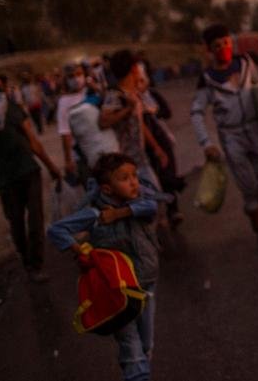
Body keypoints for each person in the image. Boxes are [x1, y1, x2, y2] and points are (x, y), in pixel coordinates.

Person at [47, 153, 160, 381]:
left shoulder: (140, 202)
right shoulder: (94, 214)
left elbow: (152, 205)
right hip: (117, 290)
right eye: (124, 178)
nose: (133, 182)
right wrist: (76, 249)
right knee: (132, 347)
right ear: (107, 189)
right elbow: (56, 230)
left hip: (146, 283)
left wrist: (120, 213)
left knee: (146, 343)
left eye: (134, 176)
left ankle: (137, 370)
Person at [190, 24, 258, 254]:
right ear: (209, 49)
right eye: (217, 45)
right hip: (231, 135)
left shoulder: (245, 62)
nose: (224, 48)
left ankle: (252, 205)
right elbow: (196, 112)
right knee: (248, 185)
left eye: (226, 43)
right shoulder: (207, 79)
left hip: (254, 129)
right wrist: (206, 143)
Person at [0, 74, 63, 282]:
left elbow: (32, 140)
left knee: (36, 219)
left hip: (29, 170)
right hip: (7, 177)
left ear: (6, 89)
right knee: (16, 223)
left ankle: (37, 265)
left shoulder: (15, 109)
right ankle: (26, 259)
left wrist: (50, 165)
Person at [99, 50, 169, 189]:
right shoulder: (115, 95)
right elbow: (103, 121)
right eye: (138, 66)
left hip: (140, 158)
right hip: (125, 161)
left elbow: (139, 123)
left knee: (153, 195)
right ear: (134, 68)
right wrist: (128, 109)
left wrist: (156, 147)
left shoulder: (132, 93)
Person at [137, 66, 185, 227]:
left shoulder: (152, 95)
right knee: (156, 179)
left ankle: (173, 210)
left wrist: (153, 111)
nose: (140, 84)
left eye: (142, 80)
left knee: (168, 174)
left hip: (163, 139)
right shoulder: (133, 101)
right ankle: (160, 213)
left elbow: (167, 112)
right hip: (147, 146)